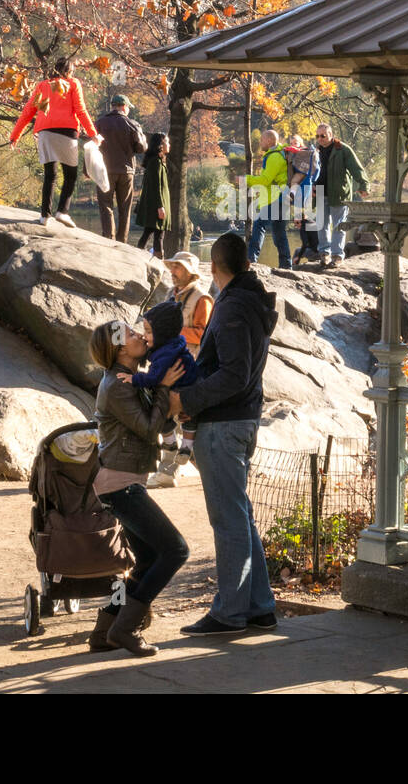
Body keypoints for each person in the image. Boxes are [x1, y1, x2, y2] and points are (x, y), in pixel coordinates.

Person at [168, 233, 279, 635]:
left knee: (229, 520)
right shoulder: (250, 301)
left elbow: (233, 374)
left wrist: (186, 401)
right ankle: (260, 606)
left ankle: (230, 613)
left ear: (214, 269)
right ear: (247, 264)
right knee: (241, 517)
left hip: (225, 424)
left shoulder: (232, 307)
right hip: (242, 419)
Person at [87, 319, 189, 656]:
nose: (141, 335)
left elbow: (151, 421)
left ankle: (104, 631)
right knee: (175, 550)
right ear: (118, 348)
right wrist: (164, 391)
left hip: (124, 481)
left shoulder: (131, 380)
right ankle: (126, 629)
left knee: (146, 559)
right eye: (131, 334)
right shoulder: (116, 385)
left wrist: (172, 409)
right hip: (119, 485)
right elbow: (147, 428)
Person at [9, 56, 100, 227]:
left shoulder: (43, 86)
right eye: (72, 71)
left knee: (50, 175)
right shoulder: (73, 84)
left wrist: (15, 136)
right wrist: (92, 133)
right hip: (67, 132)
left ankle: (45, 216)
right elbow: (80, 110)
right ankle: (62, 212)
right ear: (68, 71)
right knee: (71, 175)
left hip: (45, 132)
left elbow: (29, 111)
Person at [121, 302, 200, 489]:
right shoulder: (170, 345)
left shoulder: (166, 353)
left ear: (162, 333)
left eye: (148, 332)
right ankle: (182, 448)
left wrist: (135, 379)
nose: (144, 337)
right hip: (189, 388)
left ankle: (173, 445)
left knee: (163, 413)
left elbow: (154, 377)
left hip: (182, 390)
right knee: (186, 420)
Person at [314, 123, 368, 268]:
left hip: (339, 194)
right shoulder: (315, 151)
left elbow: (357, 168)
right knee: (322, 226)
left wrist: (364, 185)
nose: (320, 139)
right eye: (317, 136)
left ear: (331, 135)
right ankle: (324, 254)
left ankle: (337, 256)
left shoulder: (342, 149)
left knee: (339, 226)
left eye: (323, 136)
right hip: (319, 193)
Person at [96, 93, 147, 242]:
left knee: (105, 204)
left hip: (104, 171)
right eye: (128, 107)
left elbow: (91, 147)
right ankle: (122, 241)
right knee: (125, 208)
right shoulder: (133, 124)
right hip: (126, 171)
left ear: (113, 106)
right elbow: (141, 148)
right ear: (124, 107)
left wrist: (88, 170)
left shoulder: (99, 123)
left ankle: (108, 237)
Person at [246, 130, 292, 270]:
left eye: (261, 140)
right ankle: (286, 265)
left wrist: (245, 179)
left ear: (269, 141)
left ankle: (251, 259)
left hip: (277, 198)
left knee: (259, 224)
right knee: (279, 232)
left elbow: (265, 180)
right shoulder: (277, 155)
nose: (260, 142)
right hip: (281, 198)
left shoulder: (274, 157)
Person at [285, 134, 321, 265]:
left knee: (301, 199)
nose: (294, 144)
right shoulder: (293, 154)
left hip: (305, 181)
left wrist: (313, 181)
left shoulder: (306, 153)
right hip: (300, 182)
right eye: (292, 142)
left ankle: (295, 263)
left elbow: (305, 244)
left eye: (296, 142)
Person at [134, 133, 169, 256]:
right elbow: (156, 186)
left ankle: (138, 256)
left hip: (156, 205)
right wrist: (160, 206)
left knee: (149, 233)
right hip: (157, 206)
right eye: (167, 142)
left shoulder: (157, 161)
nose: (169, 145)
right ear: (161, 145)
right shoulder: (156, 163)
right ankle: (159, 264)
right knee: (158, 235)